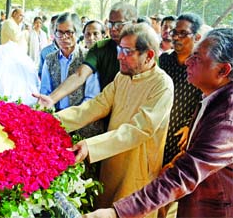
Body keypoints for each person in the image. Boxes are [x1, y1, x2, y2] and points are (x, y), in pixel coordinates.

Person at [84, 28, 233, 218]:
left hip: (214, 208)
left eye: (197, 58)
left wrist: (117, 213)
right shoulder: (213, 96)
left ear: (223, 70)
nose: (188, 61)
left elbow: (184, 174)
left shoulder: (226, 117)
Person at [59, 23, 174, 214]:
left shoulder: (162, 85)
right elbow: (96, 105)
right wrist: (52, 120)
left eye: (127, 51)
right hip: (110, 160)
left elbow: (138, 129)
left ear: (150, 55)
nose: (119, 56)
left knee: (126, 211)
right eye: (120, 49)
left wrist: (90, 146)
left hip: (136, 168)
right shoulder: (122, 76)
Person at [35, 2, 137, 107]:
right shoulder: (99, 48)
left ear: (134, 23)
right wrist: (51, 100)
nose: (113, 29)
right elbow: (80, 75)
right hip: (104, 112)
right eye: (110, 24)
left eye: (119, 24)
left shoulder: (144, 49)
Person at [40, 13, 102, 138]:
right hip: (55, 124)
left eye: (69, 32)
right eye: (60, 33)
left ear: (78, 33)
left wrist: (69, 118)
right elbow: (45, 91)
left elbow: (91, 97)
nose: (64, 37)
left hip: (83, 124)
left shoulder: (88, 58)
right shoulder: (49, 59)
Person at [159, 13, 203, 167]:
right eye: (174, 33)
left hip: (182, 135)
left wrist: (191, 126)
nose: (176, 37)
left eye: (183, 33)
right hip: (158, 129)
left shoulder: (202, 67)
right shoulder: (164, 60)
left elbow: (204, 102)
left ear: (197, 37)